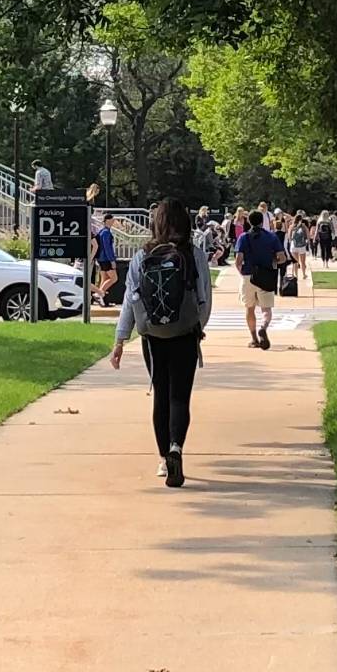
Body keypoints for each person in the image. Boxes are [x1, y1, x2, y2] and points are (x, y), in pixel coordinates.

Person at [110, 199, 213, 488]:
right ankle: (177, 449)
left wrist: (120, 340)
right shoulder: (193, 255)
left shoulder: (143, 256)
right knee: (180, 396)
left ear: (156, 222)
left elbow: (130, 301)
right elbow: (204, 298)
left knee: (161, 395)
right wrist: (196, 327)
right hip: (184, 334)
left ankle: (162, 458)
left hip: (152, 336)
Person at [234, 207, 284, 349]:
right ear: (262, 222)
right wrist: (272, 261)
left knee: (249, 309)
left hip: (248, 275)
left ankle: (254, 338)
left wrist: (242, 273)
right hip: (266, 275)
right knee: (266, 309)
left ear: (248, 222)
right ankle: (264, 326)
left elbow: (238, 261)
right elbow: (282, 258)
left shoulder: (243, 237)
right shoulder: (272, 237)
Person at [93, 211, 121, 306]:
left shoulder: (102, 231)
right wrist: (112, 260)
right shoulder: (106, 233)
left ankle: (102, 300)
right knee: (114, 278)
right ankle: (99, 293)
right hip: (105, 259)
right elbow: (107, 247)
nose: (113, 221)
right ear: (108, 220)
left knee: (104, 279)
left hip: (101, 259)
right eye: (112, 219)